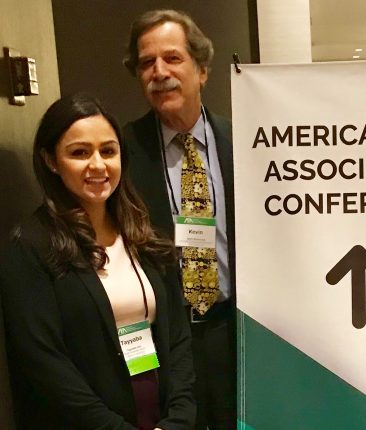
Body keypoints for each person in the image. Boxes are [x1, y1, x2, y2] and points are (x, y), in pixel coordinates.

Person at [0, 93, 195, 428]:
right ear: (50, 160)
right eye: (79, 152)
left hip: (157, 418)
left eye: (108, 151)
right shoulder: (30, 246)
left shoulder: (141, 234)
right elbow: (45, 365)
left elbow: (177, 338)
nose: (98, 165)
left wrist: (178, 418)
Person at [121, 9, 235, 429]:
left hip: (235, 329)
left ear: (202, 70)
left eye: (172, 58)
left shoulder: (244, 141)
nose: (159, 72)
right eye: (146, 63)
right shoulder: (122, 152)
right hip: (163, 338)